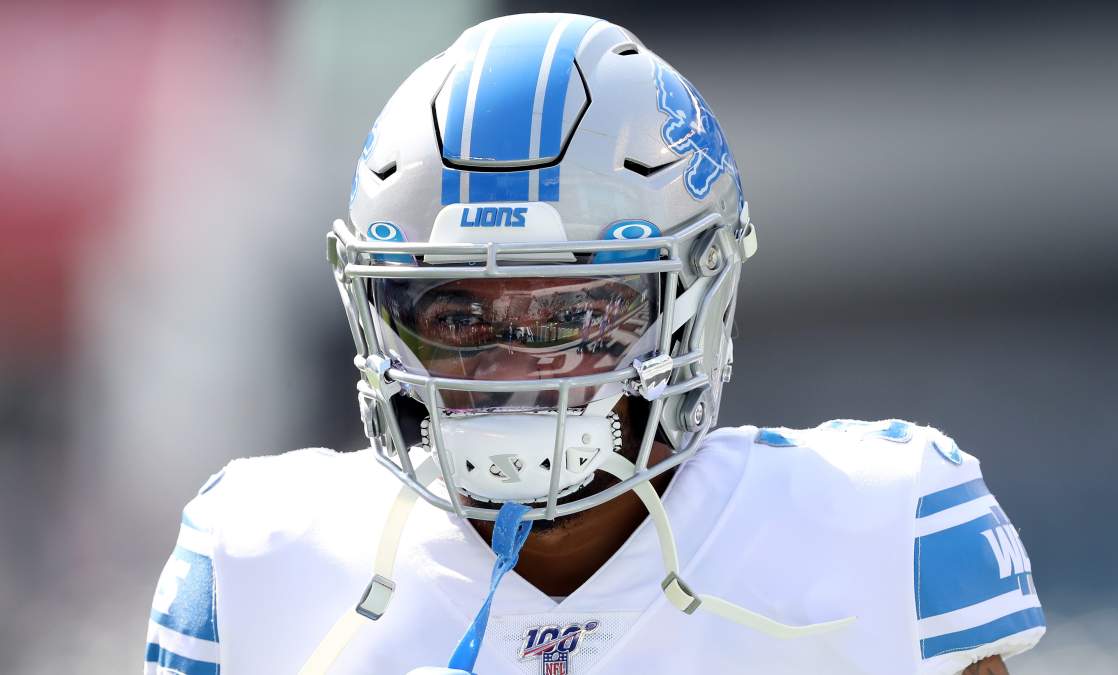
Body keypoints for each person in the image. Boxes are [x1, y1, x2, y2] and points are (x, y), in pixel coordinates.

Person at [145, 13, 1044, 675]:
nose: (510, 370)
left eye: (567, 317)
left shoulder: (883, 528)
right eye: (458, 318)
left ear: (691, 301)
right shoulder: (257, 561)